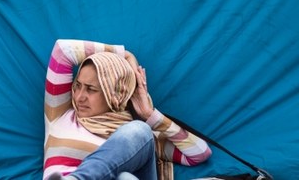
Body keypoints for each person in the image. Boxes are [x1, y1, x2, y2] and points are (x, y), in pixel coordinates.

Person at [44, 39, 211, 180]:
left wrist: (150, 115)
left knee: (137, 137)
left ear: (115, 93)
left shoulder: (136, 139)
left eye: (91, 89)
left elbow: (199, 153)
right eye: (77, 86)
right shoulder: (60, 114)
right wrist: (127, 55)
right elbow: (63, 50)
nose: (79, 96)